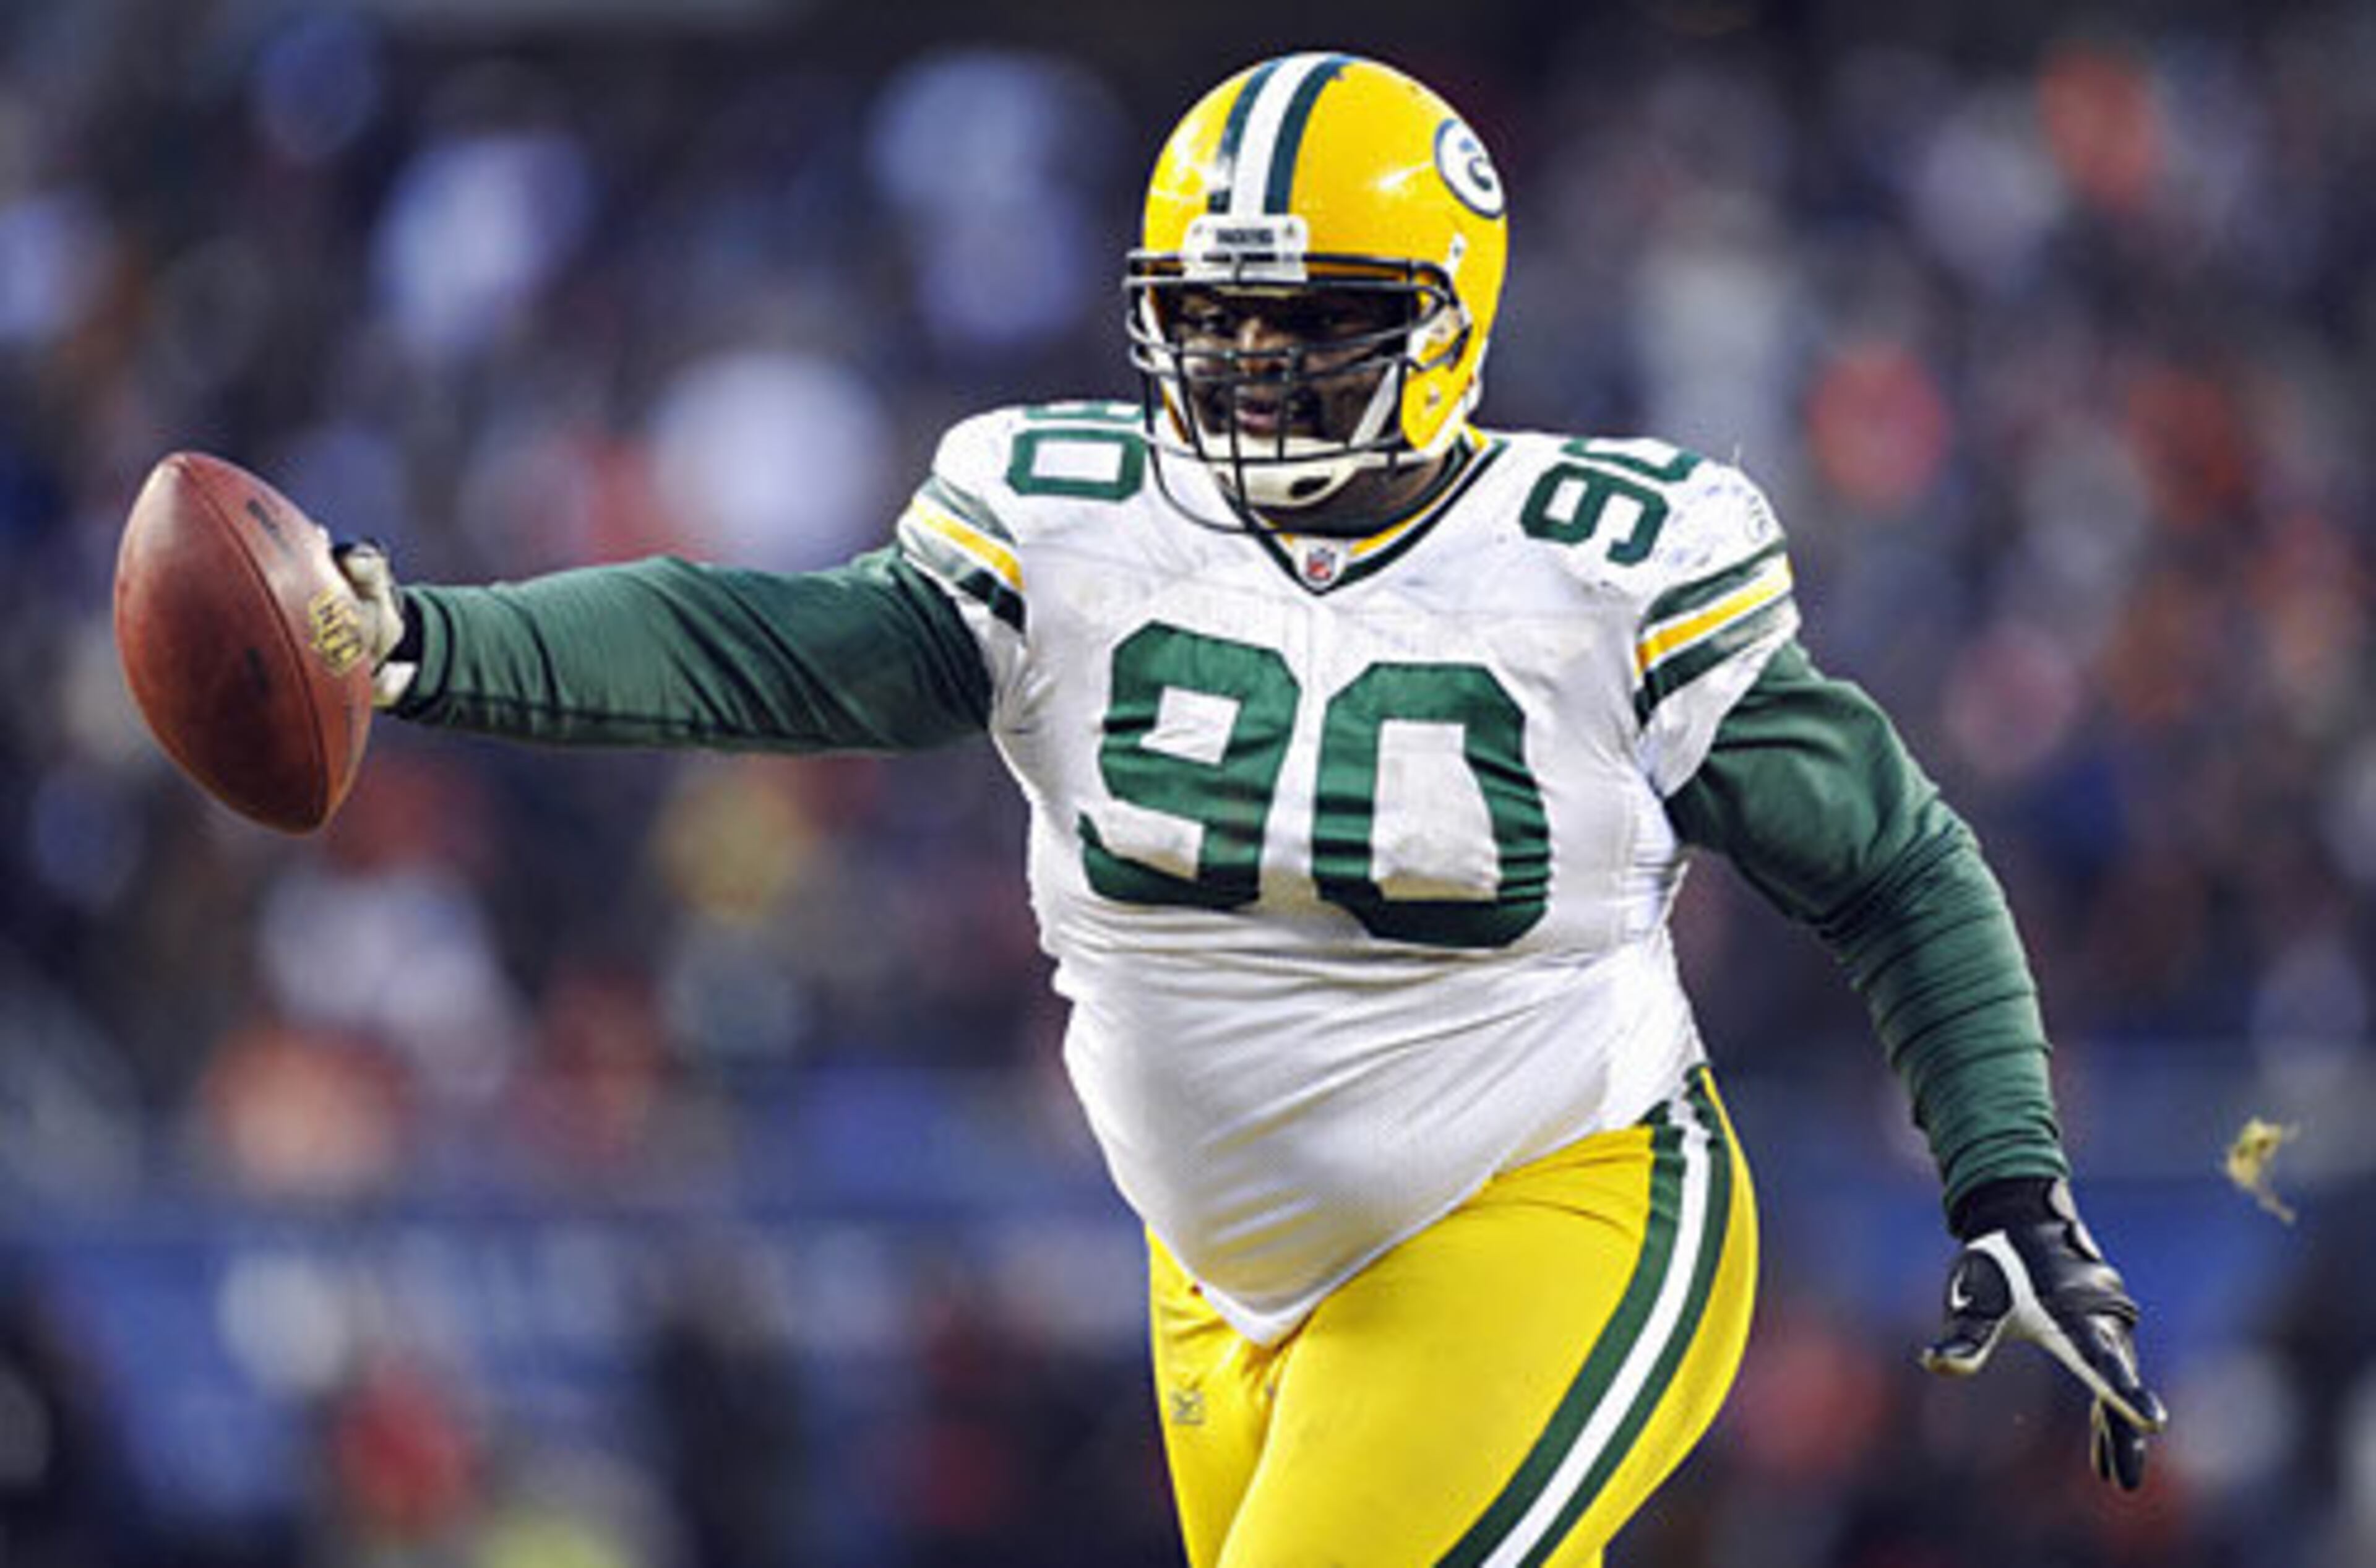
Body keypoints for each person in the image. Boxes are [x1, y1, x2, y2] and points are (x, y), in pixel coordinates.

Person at [324, 52, 2164, 1567]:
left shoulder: (1607, 564)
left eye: (1311, 329)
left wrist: (2010, 1177)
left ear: (1451, 329)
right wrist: (418, 637)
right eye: (1211, 324)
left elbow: (1896, 869)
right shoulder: (1065, 519)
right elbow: (770, 646)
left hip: (1556, 1200)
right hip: (1222, 1274)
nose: (1248, 377)